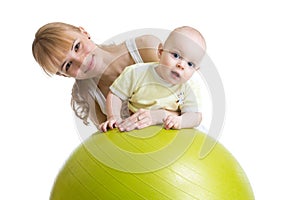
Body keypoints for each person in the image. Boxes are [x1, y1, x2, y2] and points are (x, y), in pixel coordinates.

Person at [32, 22, 170, 129]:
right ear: (64, 75)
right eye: (68, 65)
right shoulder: (88, 94)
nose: (82, 61)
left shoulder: (144, 48)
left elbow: (187, 101)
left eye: (77, 47)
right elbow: (112, 141)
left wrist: (157, 116)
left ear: (84, 32)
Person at [99, 26, 206, 132]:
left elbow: (195, 117)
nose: (181, 65)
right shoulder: (136, 73)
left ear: (196, 70)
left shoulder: (189, 87)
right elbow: (115, 94)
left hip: (171, 131)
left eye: (190, 64)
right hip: (140, 126)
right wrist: (113, 117)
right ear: (160, 52)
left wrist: (180, 121)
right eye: (176, 55)